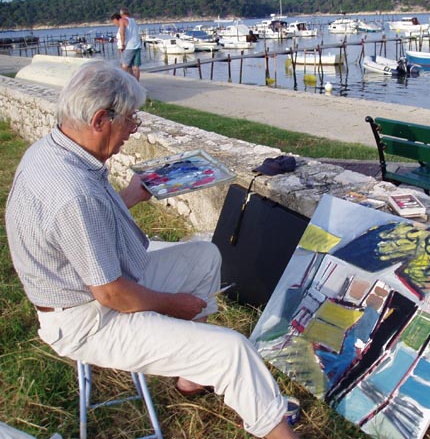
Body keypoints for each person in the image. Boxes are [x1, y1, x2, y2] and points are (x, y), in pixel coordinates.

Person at [5, 60, 299, 439]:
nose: (134, 129)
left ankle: (191, 375)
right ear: (99, 120)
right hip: (87, 319)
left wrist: (130, 195)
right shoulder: (73, 191)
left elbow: (81, 229)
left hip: (90, 289)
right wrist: (174, 305)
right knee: (233, 351)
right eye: (130, 119)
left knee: (204, 257)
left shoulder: (54, 150)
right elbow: (113, 294)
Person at [118, 7, 142, 80]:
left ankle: (123, 81)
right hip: (137, 45)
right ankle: (137, 83)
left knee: (124, 66)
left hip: (129, 46)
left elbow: (122, 33)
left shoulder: (122, 20)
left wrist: (122, 44)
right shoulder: (133, 20)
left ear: (121, 14)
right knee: (136, 67)